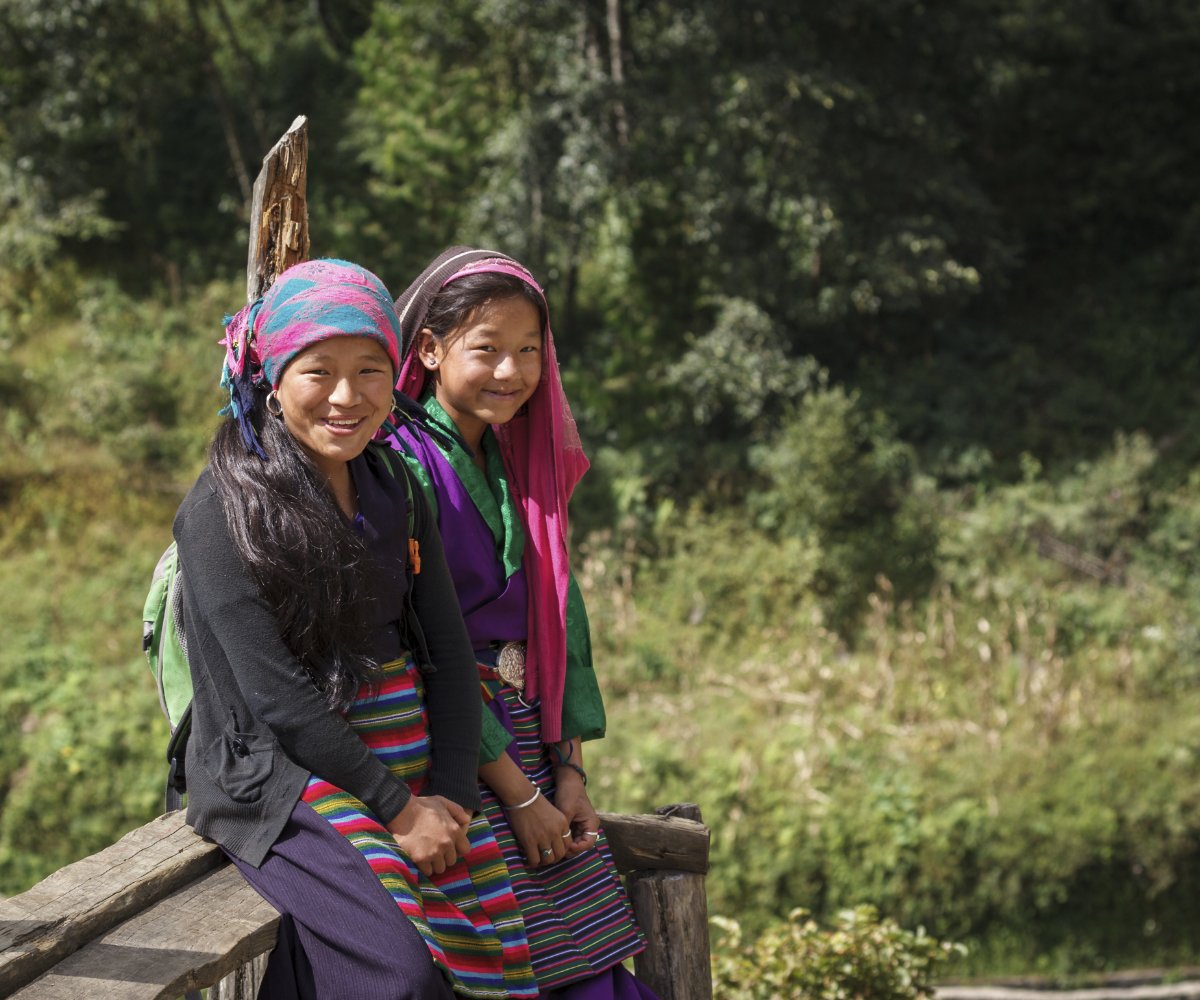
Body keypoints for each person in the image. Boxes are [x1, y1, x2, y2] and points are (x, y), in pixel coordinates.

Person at [172, 259, 538, 1000]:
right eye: (319, 372)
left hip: (406, 747)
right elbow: (276, 700)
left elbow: (442, 647)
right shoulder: (219, 513)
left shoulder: (393, 483)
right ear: (272, 376)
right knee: (399, 975)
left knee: (493, 945)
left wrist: (452, 792)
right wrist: (403, 809)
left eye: (371, 370)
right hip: (282, 773)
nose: (347, 397)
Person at [382, 248, 657, 999]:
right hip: (455, 757)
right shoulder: (396, 467)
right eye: (488, 349)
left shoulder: (521, 465)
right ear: (431, 350)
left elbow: (562, 627)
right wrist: (519, 796)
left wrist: (567, 774)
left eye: (529, 351)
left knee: (592, 965)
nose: (512, 371)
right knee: (513, 974)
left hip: (530, 748)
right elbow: (419, 649)